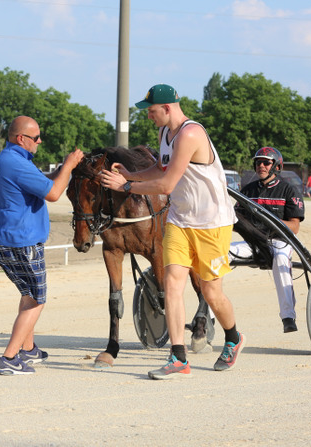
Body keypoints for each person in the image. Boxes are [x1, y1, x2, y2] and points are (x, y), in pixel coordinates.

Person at [99, 84, 244, 379]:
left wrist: (124, 186)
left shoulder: (190, 134)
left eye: (151, 111)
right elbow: (159, 171)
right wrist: (130, 174)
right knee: (174, 283)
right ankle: (179, 357)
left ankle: (233, 337)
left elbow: (166, 186)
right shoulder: (165, 133)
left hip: (211, 223)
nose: (148, 116)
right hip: (180, 219)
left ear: (167, 108)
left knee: (211, 292)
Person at [0, 115, 84, 375]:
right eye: (36, 137)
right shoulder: (16, 163)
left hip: (0, 238)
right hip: (20, 241)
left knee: (27, 293)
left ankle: (28, 349)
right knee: (37, 300)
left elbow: (42, 182)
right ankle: (9, 358)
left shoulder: (8, 158)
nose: (40, 141)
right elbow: (53, 193)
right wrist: (70, 165)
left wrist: (62, 169)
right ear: (21, 139)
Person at [229, 147, 305, 333]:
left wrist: (272, 222)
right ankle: (208, 316)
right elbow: (234, 217)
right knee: (218, 254)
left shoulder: (288, 190)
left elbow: (294, 227)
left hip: (279, 242)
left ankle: (288, 316)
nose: (261, 165)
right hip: (252, 243)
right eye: (258, 162)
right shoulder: (247, 190)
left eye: (266, 162)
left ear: (277, 166)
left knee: (280, 259)